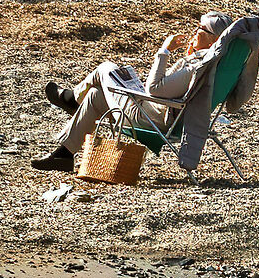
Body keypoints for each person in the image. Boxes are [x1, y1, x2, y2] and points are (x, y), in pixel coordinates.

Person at [33, 12, 233, 172]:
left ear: (213, 39)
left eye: (200, 28)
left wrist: (164, 51)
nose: (194, 31)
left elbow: (154, 88)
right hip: (159, 113)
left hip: (148, 118)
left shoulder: (198, 66)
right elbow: (169, 89)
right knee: (95, 96)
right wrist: (186, 57)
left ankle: (72, 99)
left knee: (106, 68)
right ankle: (63, 155)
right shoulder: (211, 63)